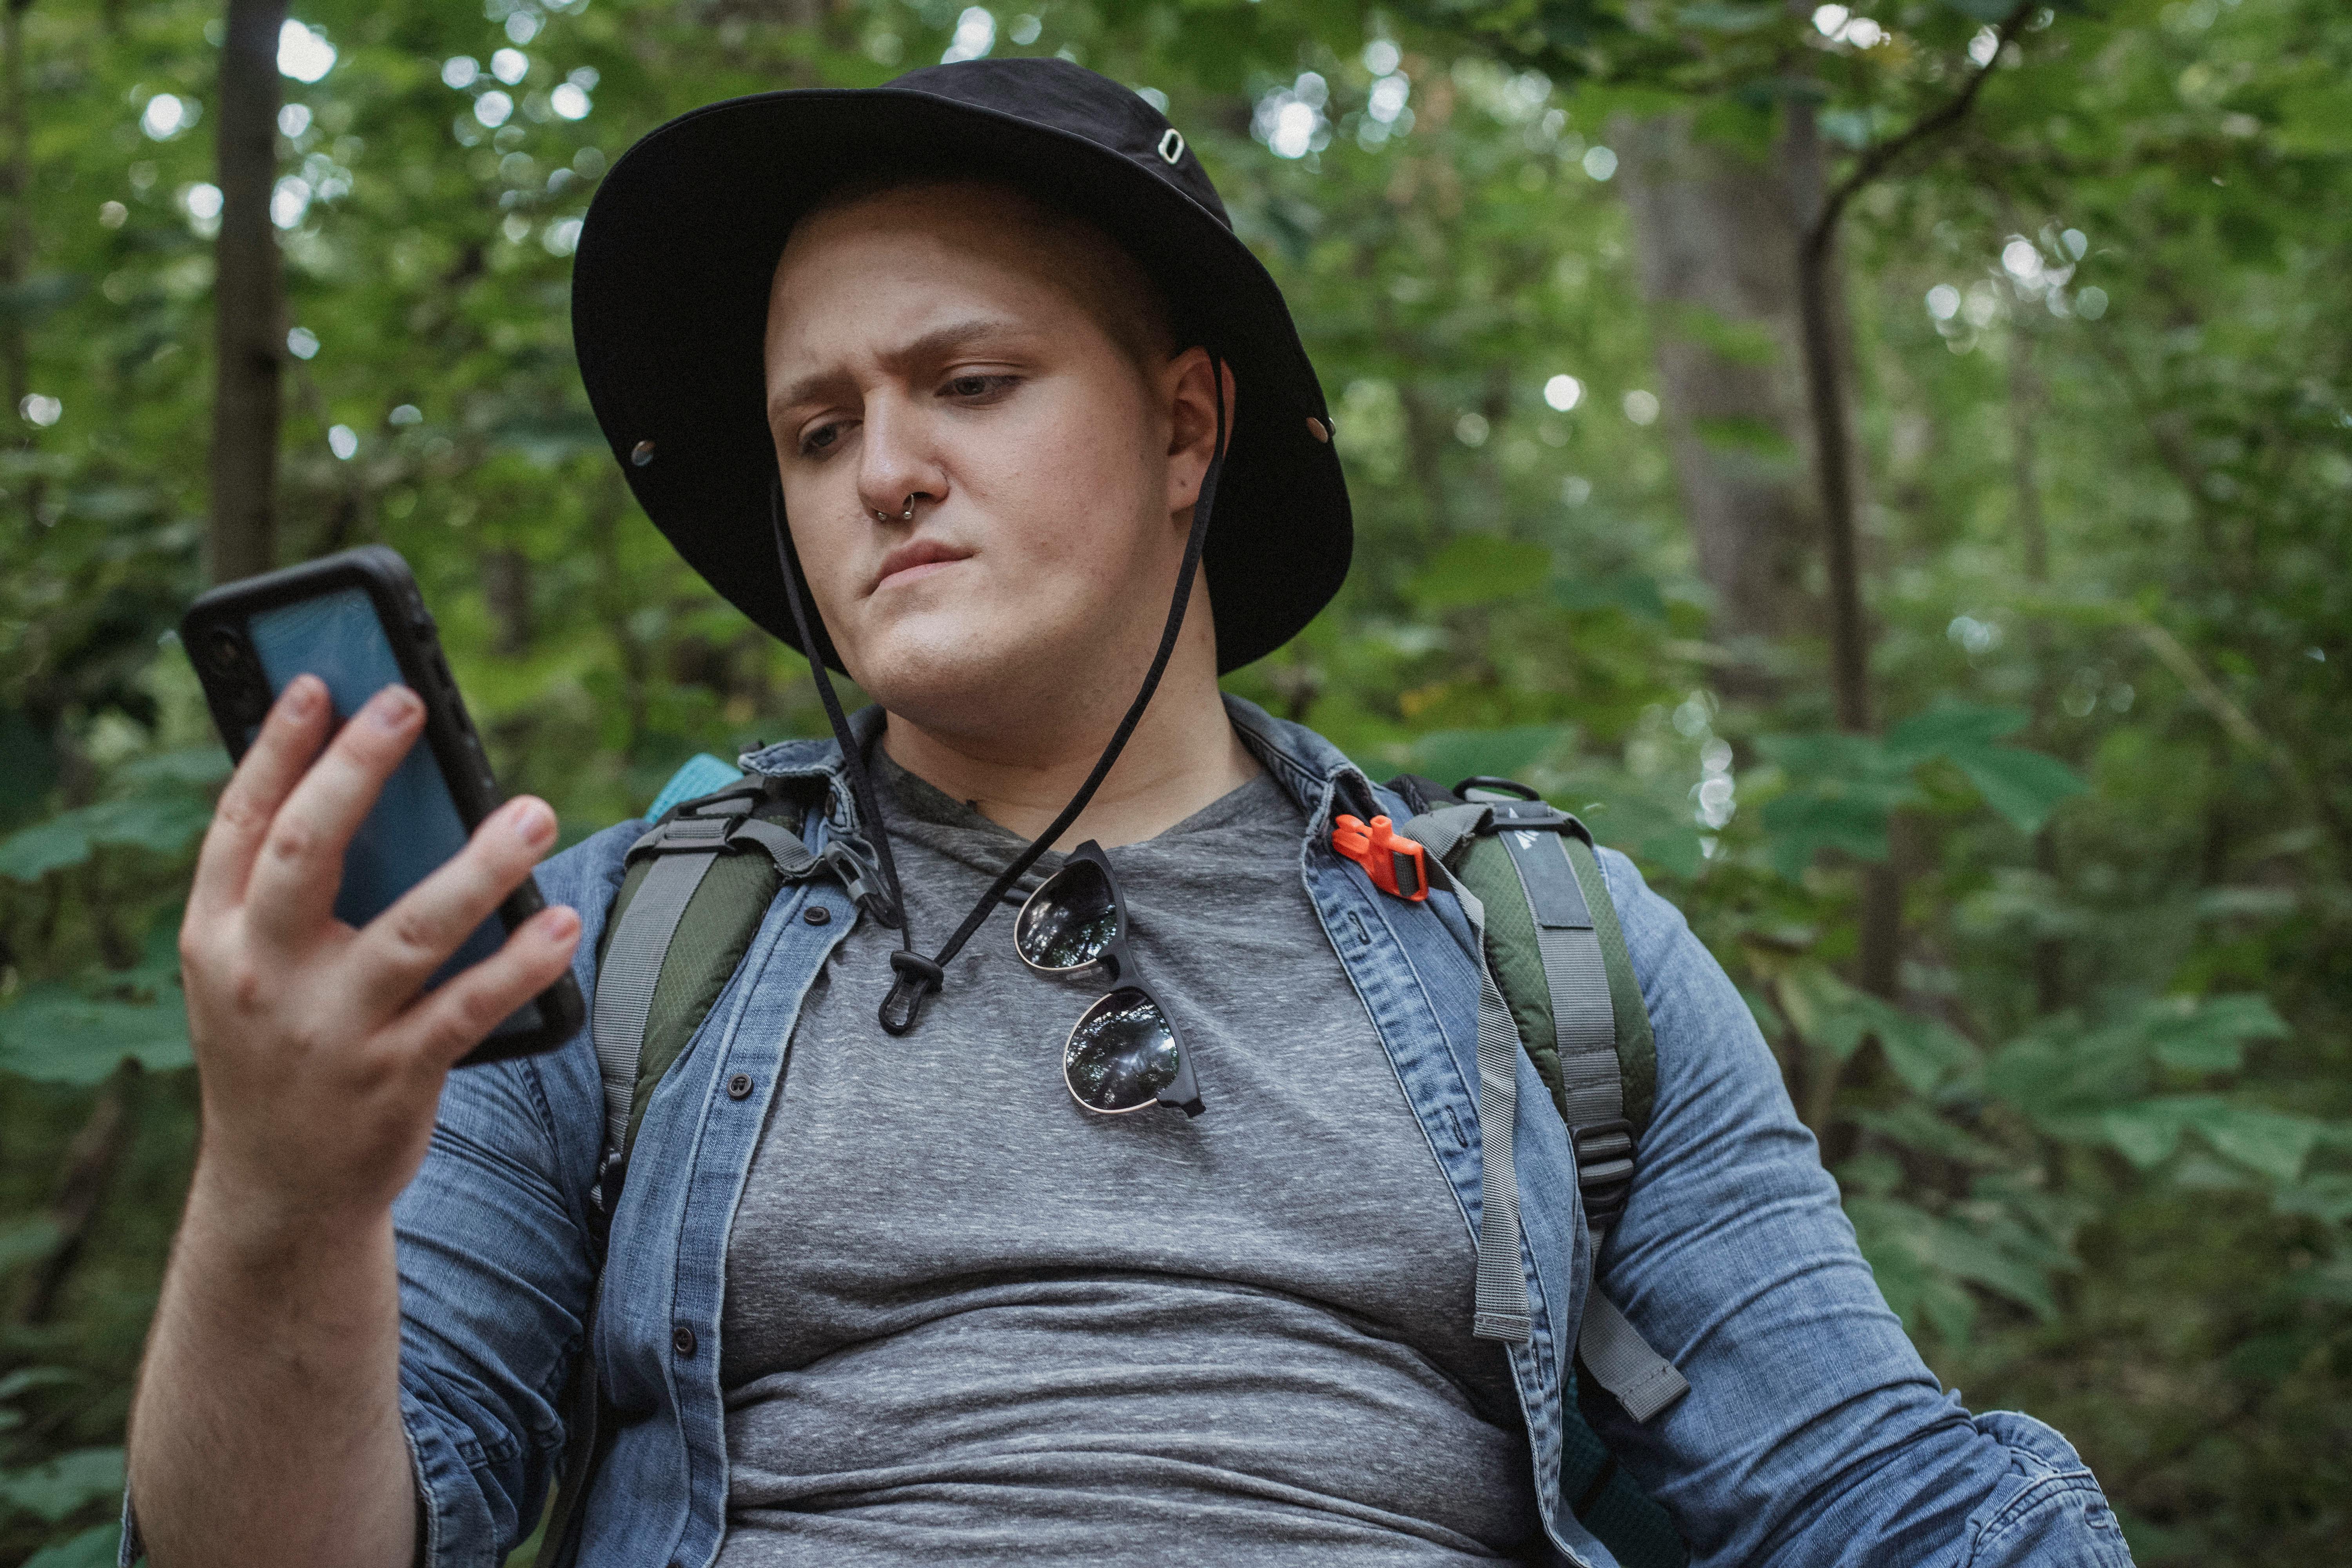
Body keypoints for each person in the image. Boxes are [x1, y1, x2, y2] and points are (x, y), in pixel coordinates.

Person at [123, 58, 2135, 1568]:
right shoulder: (597, 953)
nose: (879, 471)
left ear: (1189, 421)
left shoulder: (1545, 948)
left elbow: (1875, 1495)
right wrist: (284, 1191)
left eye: (968, 382)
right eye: (816, 429)